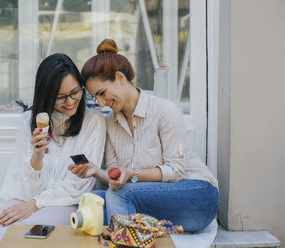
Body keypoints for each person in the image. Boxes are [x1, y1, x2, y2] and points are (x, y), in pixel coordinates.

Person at [69, 39, 219, 232]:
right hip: (152, 199)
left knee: (117, 198)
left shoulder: (165, 111)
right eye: (95, 98)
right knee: (93, 200)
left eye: (102, 93)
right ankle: (135, 234)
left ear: (120, 78)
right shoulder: (110, 124)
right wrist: (96, 171)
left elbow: (176, 171)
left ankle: (126, 239)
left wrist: (134, 175)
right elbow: (117, 179)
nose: (101, 103)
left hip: (197, 194)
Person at [0, 53, 106, 247]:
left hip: (66, 203)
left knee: (24, 231)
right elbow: (23, 185)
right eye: (61, 97)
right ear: (47, 95)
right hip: (25, 197)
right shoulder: (28, 121)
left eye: (76, 92)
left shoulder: (93, 122)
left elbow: (79, 184)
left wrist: (35, 205)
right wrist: (37, 158)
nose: (70, 101)